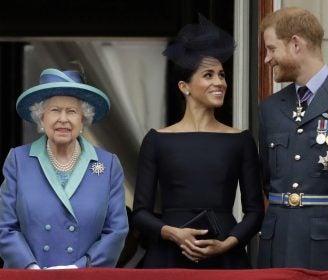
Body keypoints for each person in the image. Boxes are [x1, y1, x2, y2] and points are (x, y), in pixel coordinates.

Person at [132, 14, 264, 269]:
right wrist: (172, 233)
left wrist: (227, 243)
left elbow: (255, 211)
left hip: (225, 256)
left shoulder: (240, 140)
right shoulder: (156, 140)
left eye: (222, 75)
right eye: (208, 75)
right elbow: (140, 213)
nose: (220, 83)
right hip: (168, 257)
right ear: (185, 86)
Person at [257, 7, 328, 270]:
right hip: (277, 244)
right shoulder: (269, 108)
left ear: (295, 44)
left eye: (271, 48)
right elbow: (268, 181)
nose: (267, 59)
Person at [0, 67, 129, 269]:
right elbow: (5, 226)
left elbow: (116, 230)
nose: (63, 119)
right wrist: (30, 268)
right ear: (41, 118)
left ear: (83, 119)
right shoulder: (18, 160)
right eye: (54, 110)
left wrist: (78, 268)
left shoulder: (108, 164)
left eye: (72, 111)